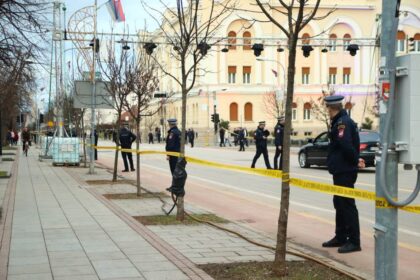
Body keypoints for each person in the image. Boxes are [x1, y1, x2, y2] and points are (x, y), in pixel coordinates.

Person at [322, 95, 364, 254]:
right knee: (339, 203)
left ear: (333, 109)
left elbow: (346, 145)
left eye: (328, 109)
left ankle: (354, 241)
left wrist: (355, 161)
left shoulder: (342, 123)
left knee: (347, 205)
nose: (327, 111)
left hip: (345, 170)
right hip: (341, 170)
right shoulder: (341, 121)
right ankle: (340, 236)